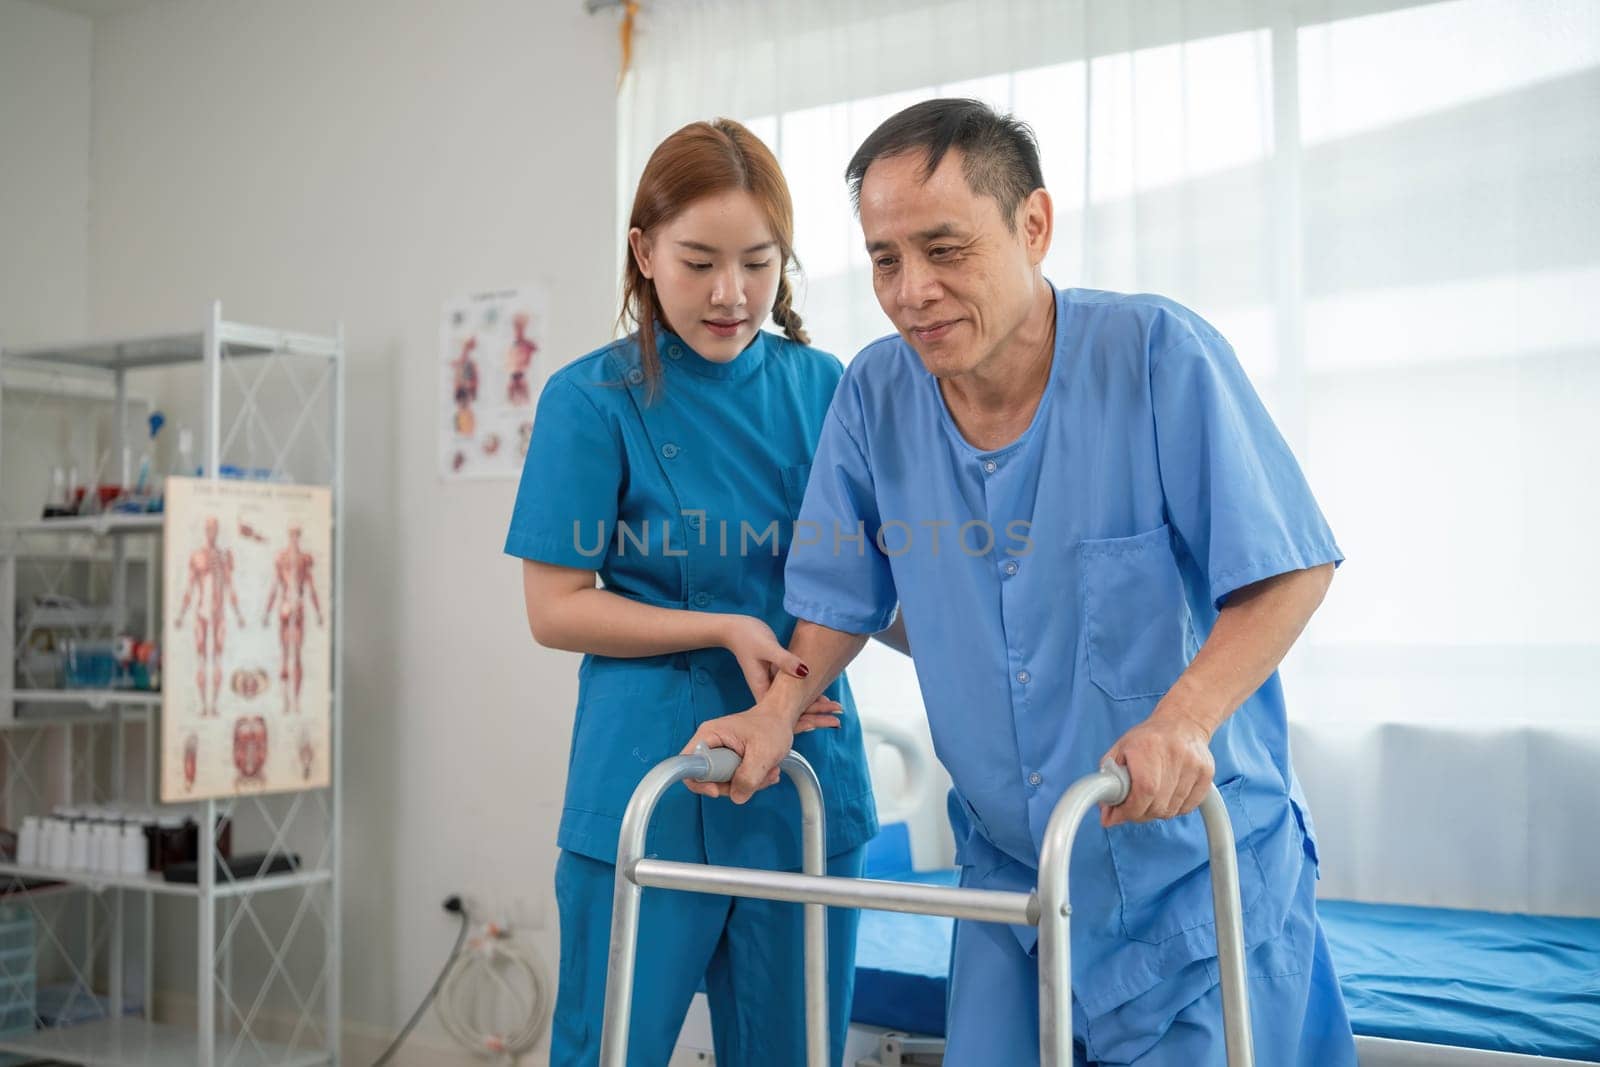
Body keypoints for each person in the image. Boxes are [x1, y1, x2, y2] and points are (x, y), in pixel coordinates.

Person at [681, 98, 1359, 1065]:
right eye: (884, 260)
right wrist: (777, 714)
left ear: (1032, 225)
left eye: (944, 250)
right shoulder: (876, 394)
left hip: (1185, 869)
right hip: (1013, 879)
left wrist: (1184, 719)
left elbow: (1291, 568)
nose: (912, 290)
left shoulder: (1157, 357)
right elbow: (837, 599)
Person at [505, 118, 878, 1067]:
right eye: (699, 260)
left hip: (803, 774)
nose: (731, 293)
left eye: (758, 262)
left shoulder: (827, 387)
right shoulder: (591, 400)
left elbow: (869, 574)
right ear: (643, 250)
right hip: (648, 779)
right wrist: (722, 623)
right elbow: (555, 607)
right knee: (609, 1050)